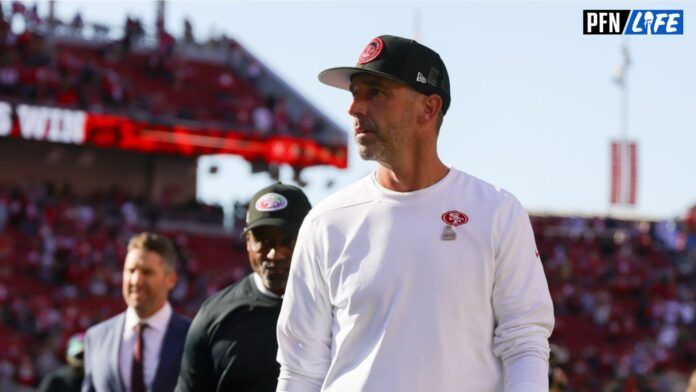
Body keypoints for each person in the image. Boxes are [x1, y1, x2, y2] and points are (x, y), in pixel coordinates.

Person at [276, 34, 555, 391]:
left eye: (375, 93)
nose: (354, 109)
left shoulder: (497, 212)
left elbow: (524, 343)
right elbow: (301, 369)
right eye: (354, 94)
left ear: (428, 108)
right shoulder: (326, 221)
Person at [176, 183, 311, 392]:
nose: (275, 253)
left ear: (311, 239)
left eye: (287, 240)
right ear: (248, 241)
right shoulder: (214, 316)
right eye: (263, 240)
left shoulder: (337, 308)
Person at [82, 232, 190, 392]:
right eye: (131, 271)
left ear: (171, 280)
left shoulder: (193, 336)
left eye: (147, 272)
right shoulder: (96, 338)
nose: (136, 280)